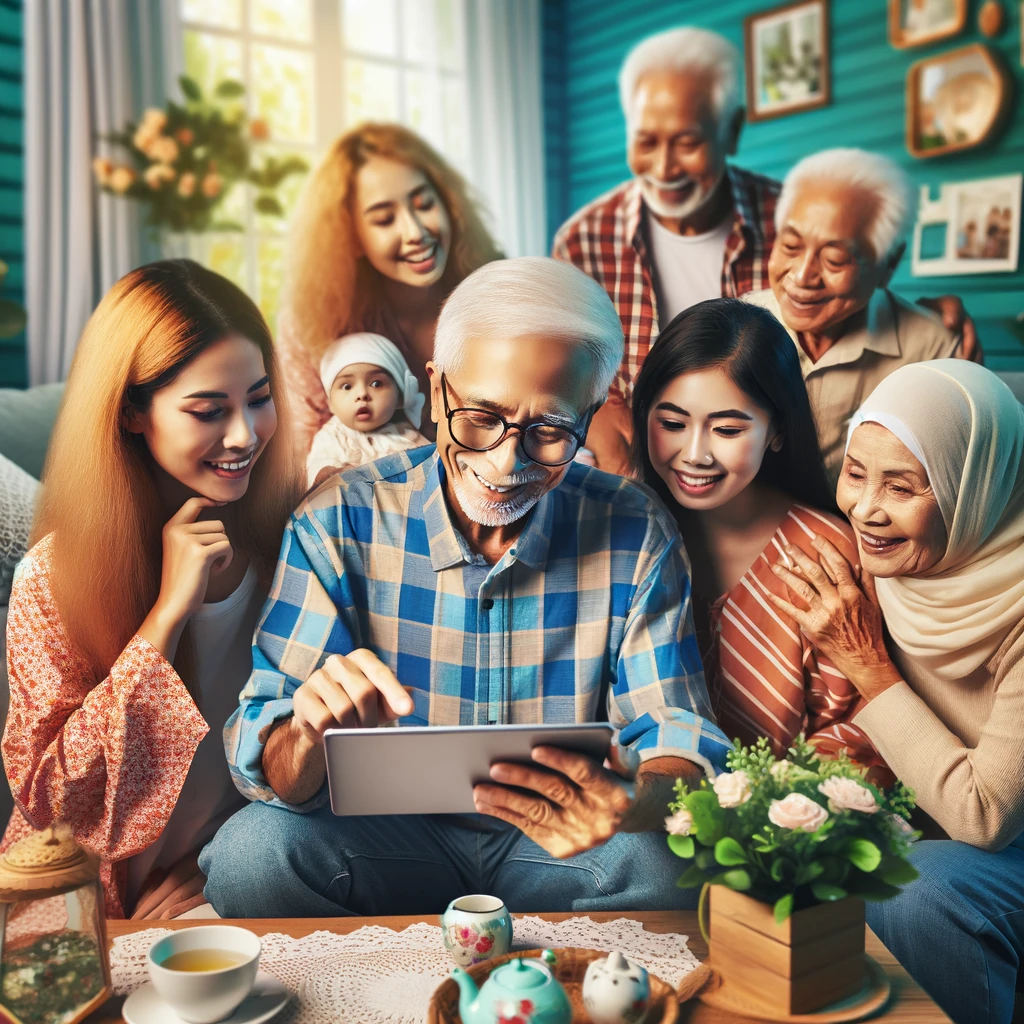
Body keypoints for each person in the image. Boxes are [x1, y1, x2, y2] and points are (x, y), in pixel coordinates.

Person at [200, 257, 732, 918]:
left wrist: (634, 804)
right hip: (383, 842)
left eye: (549, 431)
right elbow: (267, 753)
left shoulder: (636, 528)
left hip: (559, 849)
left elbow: (676, 731)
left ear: (589, 415)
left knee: (670, 863)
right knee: (252, 857)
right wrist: (306, 735)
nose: (505, 464)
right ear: (438, 389)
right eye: (481, 417)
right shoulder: (339, 516)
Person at [1, 260, 299, 919]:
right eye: (208, 410)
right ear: (133, 411)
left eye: (258, 397)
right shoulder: (50, 580)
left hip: (241, 875)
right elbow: (51, 802)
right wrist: (164, 620)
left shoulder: (295, 542)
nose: (245, 434)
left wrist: (222, 856)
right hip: (78, 906)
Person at [552, 26, 981, 474]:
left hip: (761, 478)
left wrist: (925, 318)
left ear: (731, 131)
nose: (664, 168)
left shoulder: (792, 214)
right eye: (646, 141)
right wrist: (597, 412)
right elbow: (565, 362)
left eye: (688, 142)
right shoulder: (583, 239)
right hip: (648, 470)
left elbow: (857, 286)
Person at [766, 360, 1024, 1024]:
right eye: (855, 473)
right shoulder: (890, 560)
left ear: (976, 487)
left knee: (916, 887)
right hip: (938, 823)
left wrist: (867, 664)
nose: (865, 509)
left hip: (1002, 842)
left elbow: (985, 817)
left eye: (903, 486)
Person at [630, 298, 883, 769]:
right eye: (671, 424)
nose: (695, 454)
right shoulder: (620, 531)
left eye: (726, 429)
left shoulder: (828, 553)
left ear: (777, 431)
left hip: (787, 825)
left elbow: (862, 723)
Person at [279, 122, 502, 454]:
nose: (415, 232)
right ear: (351, 238)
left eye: (425, 204)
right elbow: (303, 448)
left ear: (449, 205)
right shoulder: (311, 324)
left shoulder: (497, 289)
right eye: (384, 219)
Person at [744, 149, 963, 484]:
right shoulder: (743, 322)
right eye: (790, 246)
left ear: (888, 264)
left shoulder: (934, 350)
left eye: (834, 260)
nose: (802, 277)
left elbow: (941, 485)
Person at [306, 332, 429, 487]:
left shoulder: (407, 435)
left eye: (376, 384)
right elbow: (316, 471)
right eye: (347, 386)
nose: (362, 394)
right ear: (330, 403)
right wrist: (331, 474)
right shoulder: (331, 436)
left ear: (400, 397)